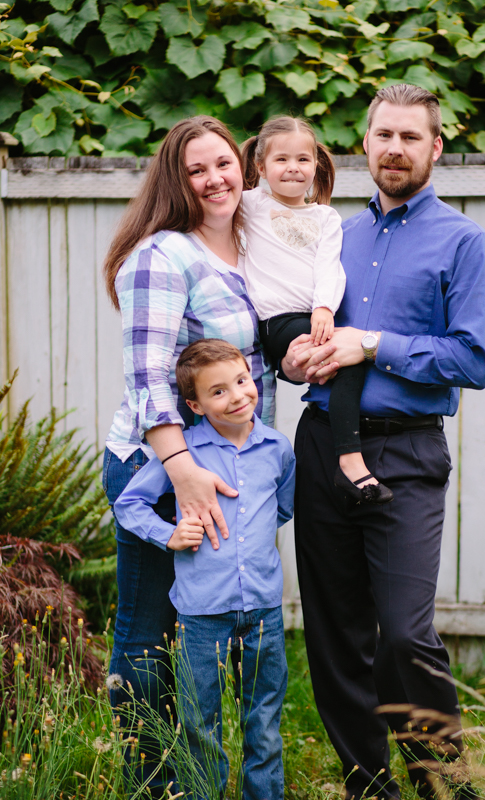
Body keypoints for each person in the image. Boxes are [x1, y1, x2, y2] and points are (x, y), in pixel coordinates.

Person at [282, 85, 485, 800]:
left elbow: (471, 360)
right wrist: (294, 354)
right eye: (383, 135)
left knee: (405, 634)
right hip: (322, 445)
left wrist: (372, 343)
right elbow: (290, 328)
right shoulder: (329, 236)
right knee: (335, 633)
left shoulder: (465, 243)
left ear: (435, 148)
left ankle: (444, 786)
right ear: (363, 143)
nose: (395, 149)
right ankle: (365, 785)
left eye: (411, 137)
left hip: (406, 454)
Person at [101, 117, 275, 797]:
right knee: (149, 626)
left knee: (199, 626)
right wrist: (182, 470)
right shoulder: (163, 255)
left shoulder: (254, 246)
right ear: (176, 181)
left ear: (242, 165)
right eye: (196, 170)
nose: (214, 180)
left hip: (228, 462)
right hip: (160, 462)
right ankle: (152, 781)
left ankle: (202, 772)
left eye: (223, 163)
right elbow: (147, 374)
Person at [114, 338, 296, 800]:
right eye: (219, 391)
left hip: (263, 610)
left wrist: (246, 537)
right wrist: (168, 535)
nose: (237, 395)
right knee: (200, 723)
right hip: (200, 615)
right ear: (194, 404)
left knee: (265, 724)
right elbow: (129, 504)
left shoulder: (278, 448)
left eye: (242, 381)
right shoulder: (184, 456)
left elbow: (282, 507)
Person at [240, 115, 392, 504]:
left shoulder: (325, 217)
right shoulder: (248, 205)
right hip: (273, 321)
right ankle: (351, 459)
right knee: (341, 357)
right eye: (281, 160)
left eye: (303, 160)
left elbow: (330, 268)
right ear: (260, 168)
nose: (293, 168)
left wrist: (324, 307)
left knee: (349, 357)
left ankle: (346, 456)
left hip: (312, 314)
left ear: (315, 166)